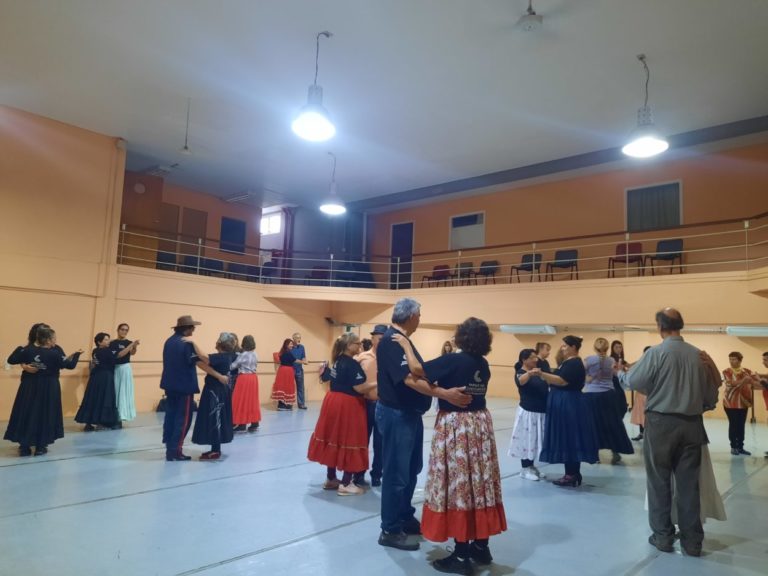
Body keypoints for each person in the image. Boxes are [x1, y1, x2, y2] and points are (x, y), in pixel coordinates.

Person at [400, 317, 506, 574]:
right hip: (480, 425)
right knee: (478, 482)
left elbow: (416, 369)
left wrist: (405, 344)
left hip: (456, 426)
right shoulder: (483, 363)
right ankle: (481, 547)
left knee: (459, 484)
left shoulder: (453, 360)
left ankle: (460, 554)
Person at [375, 298, 471, 552]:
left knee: (411, 469)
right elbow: (409, 379)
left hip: (409, 415)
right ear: (411, 316)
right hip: (397, 414)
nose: (420, 318)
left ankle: (404, 515)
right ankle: (390, 528)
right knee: (396, 472)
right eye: (419, 314)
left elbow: (419, 372)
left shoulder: (403, 341)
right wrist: (445, 394)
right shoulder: (392, 342)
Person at [627, 307, 721, 557]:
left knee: (659, 482)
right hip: (692, 425)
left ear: (660, 327)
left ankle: (663, 536)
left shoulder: (656, 353)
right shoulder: (698, 356)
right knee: (689, 485)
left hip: (661, 424)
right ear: (681, 325)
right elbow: (711, 396)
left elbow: (632, 381)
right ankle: (693, 542)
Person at [308, 332, 375, 495]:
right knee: (349, 438)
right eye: (357, 344)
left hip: (333, 401)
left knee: (334, 439)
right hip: (348, 405)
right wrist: (377, 382)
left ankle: (331, 478)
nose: (359, 346)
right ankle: (346, 483)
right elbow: (359, 388)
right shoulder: (352, 364)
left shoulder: (337, 361)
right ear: (348, 346)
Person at [4, 324, 82, 456]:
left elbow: (12, 360)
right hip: (47, 387)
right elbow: (68, 365)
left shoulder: (29, 350)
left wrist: (20, 352)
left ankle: (25, 446)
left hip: (30, 386)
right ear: (47, 339)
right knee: (44, 414)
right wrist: (77, 355)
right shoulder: (53, 352)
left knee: (27, 413)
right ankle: (40, 446)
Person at [538, 335, 599, 487]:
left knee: (568, 438)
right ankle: (572, 473)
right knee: (569, 438)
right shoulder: (569, 363)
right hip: (567, 403)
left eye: (565, 345)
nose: (562, 348)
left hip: (568, 404)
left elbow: (562, 381)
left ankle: (571, 474)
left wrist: (541, 374)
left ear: (573, 347)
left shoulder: (574, 363)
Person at [160, 315, 222, 461]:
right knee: (183, 420)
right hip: (184, 387)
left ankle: (170, 449)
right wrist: (219, 375)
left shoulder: (169, 341)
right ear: (186, 328)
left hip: (170, 386)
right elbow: (201, 362)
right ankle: (176, 451)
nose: (194, 330)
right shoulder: (186, 344)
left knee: (170, 417)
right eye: (192, 327)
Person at [583, 338, 634, 465]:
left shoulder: (588, 360)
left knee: (593, 424)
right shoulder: (611, 360)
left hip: (591, 396)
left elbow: (581, 375)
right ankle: (615, 450)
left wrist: (588, 379)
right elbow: (617, 374)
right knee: (612, 423)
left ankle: (594, 455)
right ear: (607, 348)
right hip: (609, 395)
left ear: (595, 347)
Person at [75, 332, 137, 431]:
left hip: (95, 378)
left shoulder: (95, 351)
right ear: (99, 342)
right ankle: (103, 423)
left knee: (93, 399)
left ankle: (89, 422)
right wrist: (131, 345)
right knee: (104, 398)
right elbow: (120, 354)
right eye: (106, 339)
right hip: (105, 378)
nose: (109, 341)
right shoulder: (107, 351)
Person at [352, 324, 388, 488]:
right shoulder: (361, 358)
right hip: (364, 405)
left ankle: (376, 475)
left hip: (383, 406)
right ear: (373, 338)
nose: (381, 341)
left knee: (380, 444)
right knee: (361, 441)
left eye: (384, 338)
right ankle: (358, 474)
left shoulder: (390, 358)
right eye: (378, 338)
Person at [192, 332, 236, 460]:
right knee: (214, 419)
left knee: (215, 418)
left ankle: (216, 450)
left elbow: (204, 357)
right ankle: (214, 449)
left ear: (220, 344)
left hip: (216, 392)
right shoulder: (225, 356)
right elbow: (200, 363)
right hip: (215, 390)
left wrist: (193, 343)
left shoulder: (222, 357)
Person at [508, 349, 548, 481]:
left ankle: (531, 466)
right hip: (528, 413)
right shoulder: (521, 373)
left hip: (540, 412)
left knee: (535, 440)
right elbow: (521, 381)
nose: (536, 359)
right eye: (532, 358)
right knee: (527, 439)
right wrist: (530, 373)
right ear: (524, 360)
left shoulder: (538, 372)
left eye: (536, 357)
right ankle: (524, 468)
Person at [721, 351, 760, 456]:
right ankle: (733, 446)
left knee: (741, 425)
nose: (731, 361)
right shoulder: (726, 372)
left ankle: (741, 447)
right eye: (730, 359)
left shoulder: (747, 371)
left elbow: (755, 382)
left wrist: (759, 381)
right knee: (733, 424)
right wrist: (744, 380)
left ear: (740, 360)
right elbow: (732, 384)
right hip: (730, 404)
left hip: (743, 403)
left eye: (734, 359)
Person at [110, 323, 139, 427]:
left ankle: (121, 417)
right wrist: (131, 345)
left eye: (126, 330)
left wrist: (134, 346)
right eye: (122, 329)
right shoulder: (112, 343)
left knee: (123, 393)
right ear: (118, 330)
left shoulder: (129, 342)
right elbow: (119, 354)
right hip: (115, 368)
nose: (124, 331)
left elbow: (132, 353)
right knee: (115, 392)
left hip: (125, 369)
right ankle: (113, 416)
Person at [231, 335, 261, 432]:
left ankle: (241, 423)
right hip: (253, 378)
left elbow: (233, 366)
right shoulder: (255, 354)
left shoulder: (243, 355)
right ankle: (254, 423)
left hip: (244, 378)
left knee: (240, 400)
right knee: (252, 400)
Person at [629, 346, 651, 441]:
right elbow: (631, 367)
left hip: (651, 393)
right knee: (641, 414)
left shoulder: (656, 363)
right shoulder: (640, 363)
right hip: (641, 393)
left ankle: (649, 434)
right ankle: (642, 433)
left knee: (649, 415)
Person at [271, 338, 297, 410]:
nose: (292, 345)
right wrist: (304, 362)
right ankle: (286, 405)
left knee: (282, 386)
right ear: (287, 345)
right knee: (287, 386)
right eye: (291, 344)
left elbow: (277, 356)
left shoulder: (282, 352)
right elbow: (295, 360)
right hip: (287, 371)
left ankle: (281, 405)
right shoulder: (288, 353)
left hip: (282, 370)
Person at [291, 332, 309, 409]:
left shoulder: (302, 347)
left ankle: (301, 404)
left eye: (300, 338)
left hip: (299, 370)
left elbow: (303, 357)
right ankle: (289, 404)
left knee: (301, 387)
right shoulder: (290, 347)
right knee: (290, 387)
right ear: (293, 339)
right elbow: (292, 359)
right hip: (291, 370)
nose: (299, 339)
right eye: (297, 338)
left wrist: (305, 361)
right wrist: (303, 362)